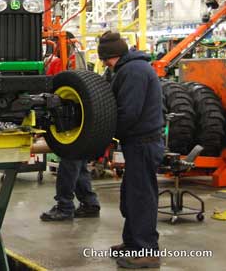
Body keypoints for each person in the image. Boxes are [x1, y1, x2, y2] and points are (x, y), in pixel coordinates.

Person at [97, 31, 164, 269]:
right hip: (137, 142)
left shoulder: (133, 71)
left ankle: (147, 251)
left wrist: (105, 135)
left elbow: (129, 112)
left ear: (113, 55)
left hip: (143, 142)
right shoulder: (129, 68)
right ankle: (133, 243)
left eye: (106, 59)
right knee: (131, 196)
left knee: (141, 197)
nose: (105, 64)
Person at [40, 32, 101, 222]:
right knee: (79, 163)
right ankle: (90, 203)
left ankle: (64, 206)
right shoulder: (81, 61)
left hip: (69, 122)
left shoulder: (62, 63)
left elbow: (49, 90)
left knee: (69, 164)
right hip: (85, 122)